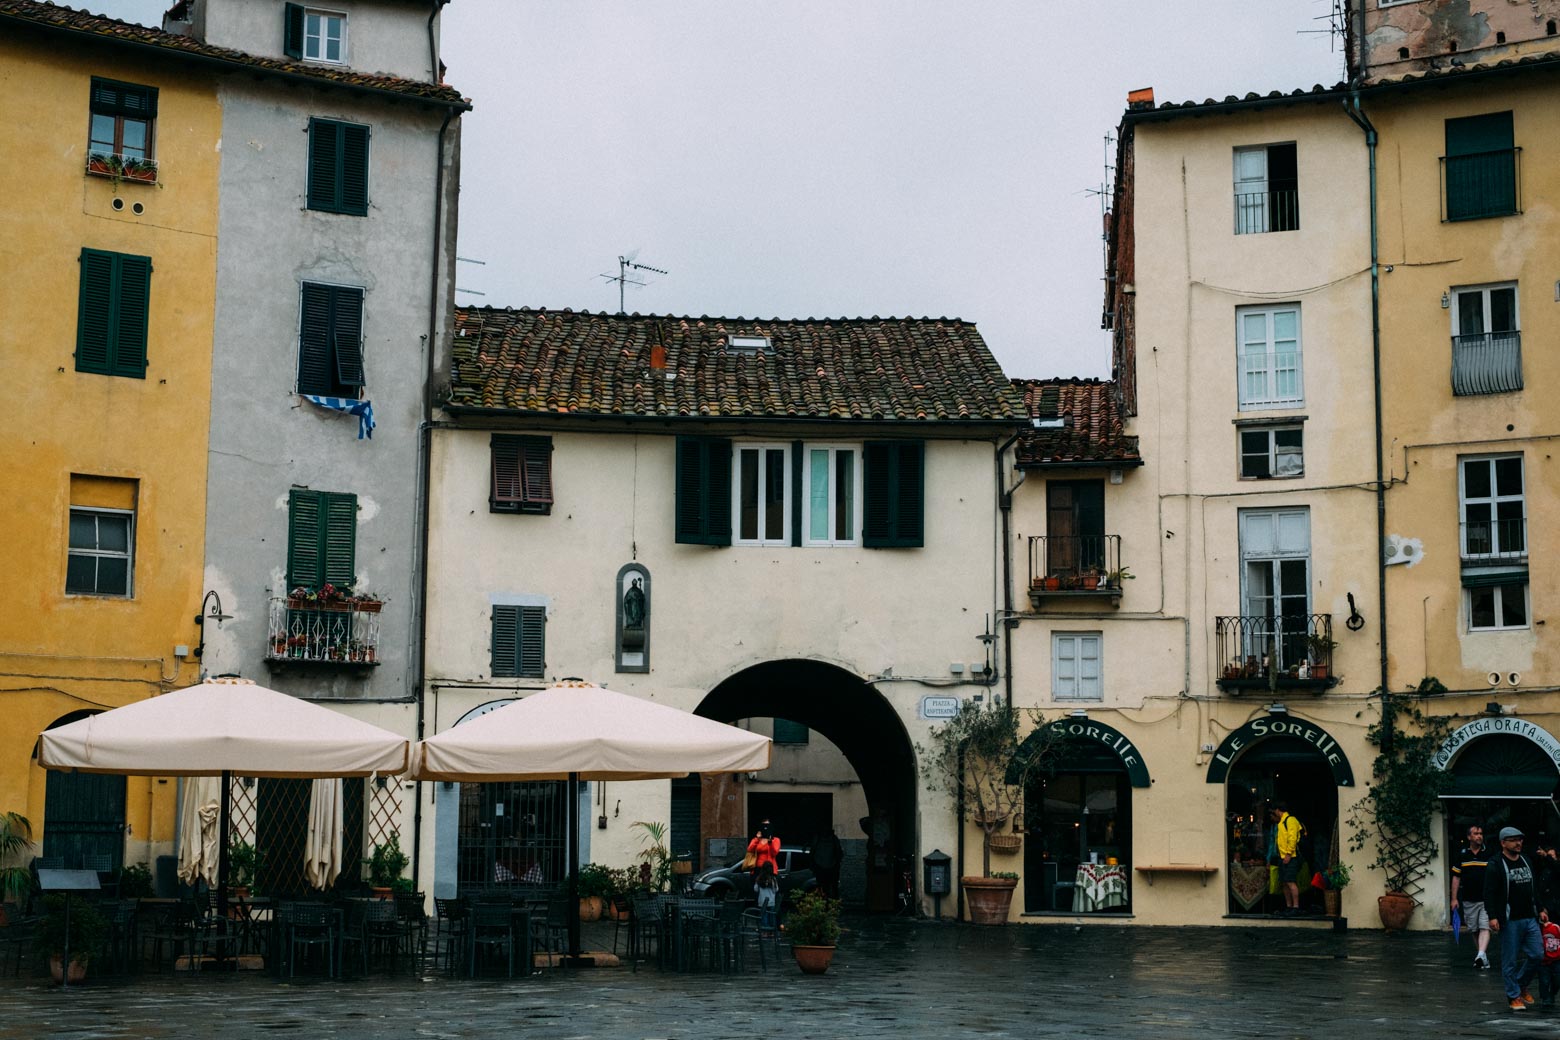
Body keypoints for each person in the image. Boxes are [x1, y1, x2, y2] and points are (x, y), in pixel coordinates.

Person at [1487, 825, 1542, 1011]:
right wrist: (1492, 916)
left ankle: (1520, 984)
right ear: (1503, 843)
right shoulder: (1496, 863)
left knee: (1537, 954)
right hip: (1510, 919)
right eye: (1513, 839)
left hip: (1529, 917)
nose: (1519, 843)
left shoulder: (1526, 860)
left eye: (1520, 839)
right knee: (1509, 960)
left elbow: (1534, 886)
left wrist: (1541, 908)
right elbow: (1489, 892)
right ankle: (1513, 996)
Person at [1451, 824, 1493, 969]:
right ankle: (1482, 956)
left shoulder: (1489, 853)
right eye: (1476, 833)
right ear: (1469, 837)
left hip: (1486, 899)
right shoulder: (1462, 854)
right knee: (1474, 929)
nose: (1479, 836)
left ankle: (1481, 955)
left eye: (1481, 833)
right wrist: (1454, 898)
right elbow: (1456, 877)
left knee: (1484, 926)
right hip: (1469, 899)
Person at [1268, 801, 1304, 916]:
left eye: (1275, 811)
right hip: (1282, 857)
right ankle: (1288, 906)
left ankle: (1296, 907)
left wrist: (1288, 854)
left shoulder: (1290, 820)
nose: (1274, 813)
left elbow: (1292, 838)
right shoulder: (1281, 822)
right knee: (1284, 882)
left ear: (1278, 810)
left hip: (1291, 857)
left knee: (1291, 882)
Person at [748, 820, 781, 932]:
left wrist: (770, 842)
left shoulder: (775, 840)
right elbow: (750, 849)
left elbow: (774, 852)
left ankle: (775, 924)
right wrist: (757, 839)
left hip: (770, 870)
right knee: (758, 898)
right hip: (758, 870)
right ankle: (762, 924)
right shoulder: (756, 840)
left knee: (772, 898)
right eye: (763, 825)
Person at [813, 825, 844, 899]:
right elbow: (839, 853)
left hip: (826, 868)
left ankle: (827, 903)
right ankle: (830, 903)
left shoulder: (819, 839)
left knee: (825, 888)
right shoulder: (833, 839)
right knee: (829, 888)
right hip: (827, 868)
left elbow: (812, 852)